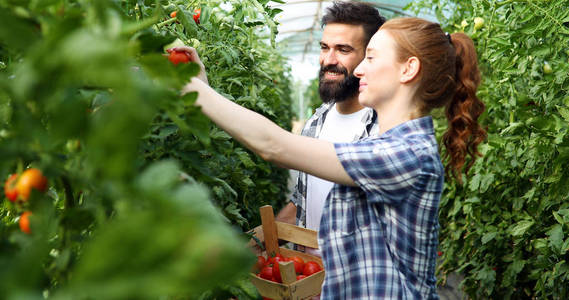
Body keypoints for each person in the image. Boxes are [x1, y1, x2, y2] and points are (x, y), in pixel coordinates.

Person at [180, 16, 486, 299]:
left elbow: (273, 146)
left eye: (371, 56)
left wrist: (194, 90)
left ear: (408, 69)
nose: (359, 69)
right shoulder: (387, 143)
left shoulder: (406, 154)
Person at [275, 2, 385, 258]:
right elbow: (300, 202)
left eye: (343, 50)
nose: (329, 60)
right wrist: (254, 248)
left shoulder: (381, 131)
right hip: (308, 280)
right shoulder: (317, 122)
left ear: (370, 58)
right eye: (324, 47)